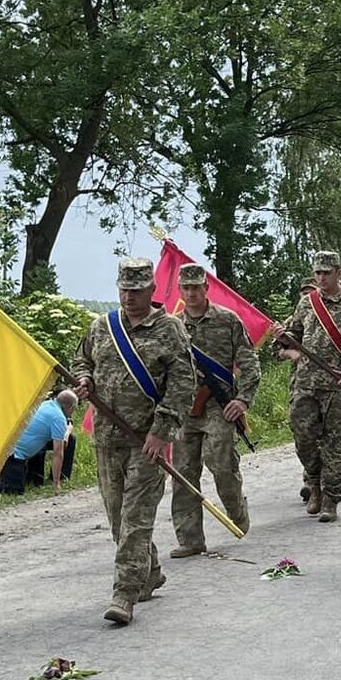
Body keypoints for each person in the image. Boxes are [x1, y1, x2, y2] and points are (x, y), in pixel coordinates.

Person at [72, 258, 195, 627]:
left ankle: (124, 594)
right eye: (124, 289)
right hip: (107, 439)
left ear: (151, 290)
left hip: (147, 441)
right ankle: (151, 570)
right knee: (116, 519)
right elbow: (82, 360)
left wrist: (162, 430)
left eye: (137, 289)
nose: (129, 296)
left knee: (135, 520)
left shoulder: (170, 329)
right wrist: (84, 381)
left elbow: (183, 383)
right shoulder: (102, 327)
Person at [168, 264, 256, 559]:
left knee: (221, 465)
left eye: (196, 287)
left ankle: (236, 510)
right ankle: (190, 538)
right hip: (183, 408)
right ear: (180, 290)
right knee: (183, 472)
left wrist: (242, 400)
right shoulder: (172, 325)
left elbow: (249, 361)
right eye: (186, 288)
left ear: (206, 289)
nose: (191, 293)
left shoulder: (228, 320)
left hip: (219, 408)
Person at [276, 250, 341, 523]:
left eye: (326, 273)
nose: (321, 278)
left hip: (337, 386)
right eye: (317, 273)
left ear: (339, 273)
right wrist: (284, 341)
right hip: (305, 384)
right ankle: (313, 483)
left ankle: (331, 498)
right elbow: (292, 338)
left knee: (335, 445)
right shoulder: (307, 304)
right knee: (303, 439)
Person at [0, 386, 79, 495]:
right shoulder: (58, 418)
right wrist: (56, 484)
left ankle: (34, 479)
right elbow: (58, 453)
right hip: (13, 456)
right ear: (71, 407)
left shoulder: (46, 404)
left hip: (10, 447)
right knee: (12, 491)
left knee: (69, 439)